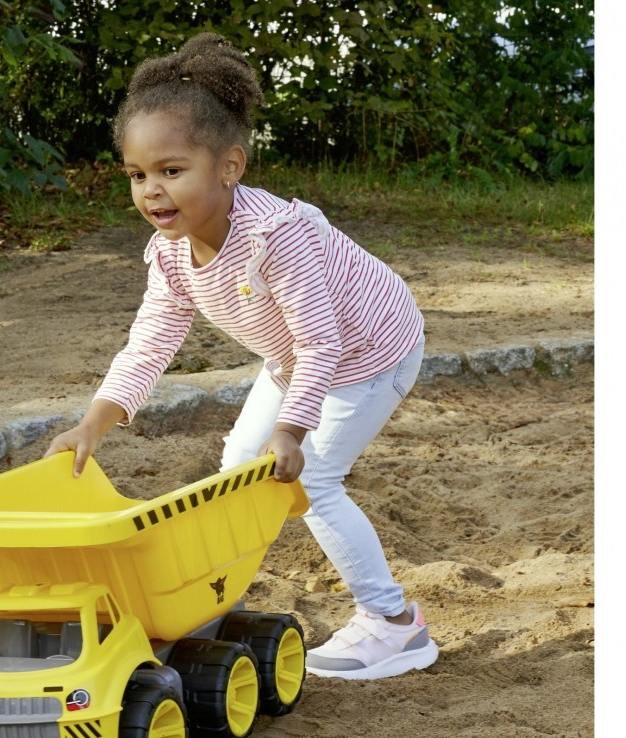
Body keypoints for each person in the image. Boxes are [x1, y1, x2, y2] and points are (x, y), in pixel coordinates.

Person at [45, 32, 438, 681]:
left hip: (372, 351)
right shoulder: (172, 254)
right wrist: (93, 422)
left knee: (307, 477)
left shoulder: (274, 239)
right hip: (298, 357)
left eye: (172, 171)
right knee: (236, 469)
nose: (152, 190)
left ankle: (395, 625)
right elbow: (148, 343)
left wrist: (291, 430)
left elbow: (322, 340)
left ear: (230, 166)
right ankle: (219, 598)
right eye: (138, 175)